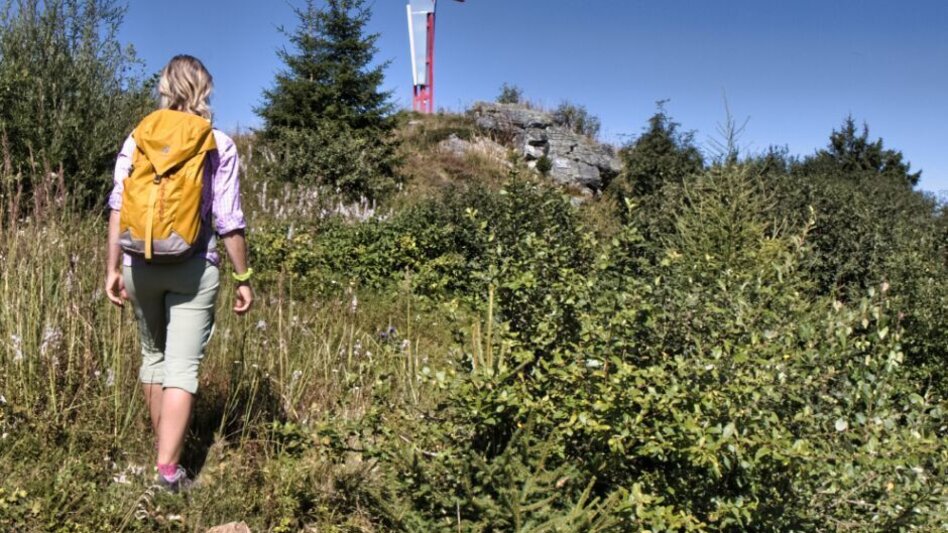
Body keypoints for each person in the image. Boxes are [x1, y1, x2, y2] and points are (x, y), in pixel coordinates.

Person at [103, 55, 253, 491]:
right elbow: (227, 219)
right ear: (204, 90)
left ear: (165, 88)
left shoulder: (138, 137)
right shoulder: (218, 143)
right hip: (193, 266)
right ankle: (168, 472)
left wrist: (112, 267)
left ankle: (162, 453)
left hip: (138, 262)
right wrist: (243, 278)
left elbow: (118, 204)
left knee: (154, 358)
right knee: (182, 368)